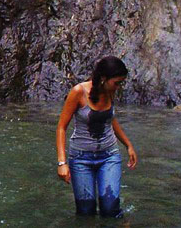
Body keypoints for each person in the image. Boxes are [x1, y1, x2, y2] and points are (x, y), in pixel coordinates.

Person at [55, 56, 138, 218]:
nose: (119, 87)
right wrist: (62, 163)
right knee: (86, 212)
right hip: (80, 159)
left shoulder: (110, 91)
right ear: (103, 79)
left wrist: (128, 145)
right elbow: (61, 127)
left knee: (110, 209)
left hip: (109, 156)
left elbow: (110, 120)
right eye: (117, 82)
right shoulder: (78, 92)